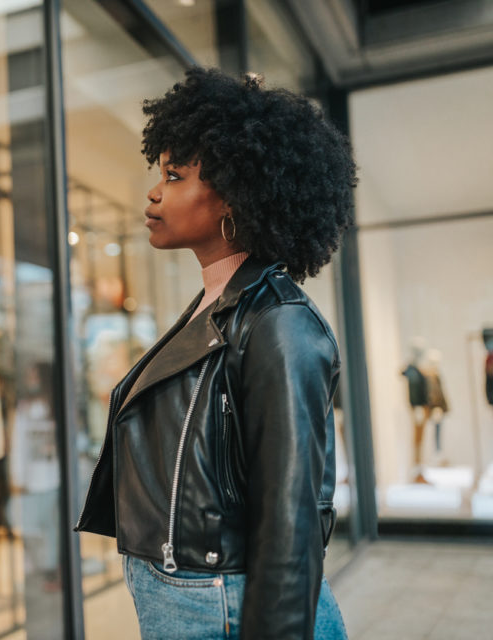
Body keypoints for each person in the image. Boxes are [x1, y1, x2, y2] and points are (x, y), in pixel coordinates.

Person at [75, 68, 357, 639]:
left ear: (236, 193)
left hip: (224, 603)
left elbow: (292, 523)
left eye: (175, 176)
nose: (154, 192)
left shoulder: (278, 323)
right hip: (189, 598)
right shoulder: (210, 308)